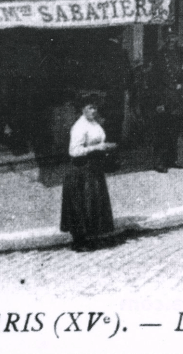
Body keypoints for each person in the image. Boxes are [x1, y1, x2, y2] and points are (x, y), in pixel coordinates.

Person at [60, 96, 117, 251]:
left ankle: (93, 237)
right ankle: (80, 241)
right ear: (82, 109)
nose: (94, 110)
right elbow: (74, 151)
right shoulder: (79, 126)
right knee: (82, 204)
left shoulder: (94, 123)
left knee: (93, 203)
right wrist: (97, 148)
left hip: (93, 168)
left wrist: (104, 146)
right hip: (81, 169)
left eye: (95, 108)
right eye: (90, 107)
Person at [149, 30, 183, 172]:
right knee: (161, 132)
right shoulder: (159, 56)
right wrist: (159, 102)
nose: (172, 40)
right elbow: (154, 81)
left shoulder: (181, 53)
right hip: (165, 97)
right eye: (169, 37)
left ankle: (172, 159)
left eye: (174, 36)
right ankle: (159, 162)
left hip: (178, 97)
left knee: (174, 131)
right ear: (165, 39)